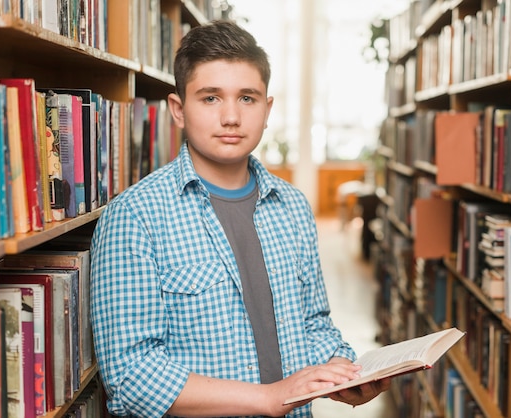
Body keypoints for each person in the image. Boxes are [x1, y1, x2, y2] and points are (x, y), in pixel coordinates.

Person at [89, 20, 391, 417]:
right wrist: (268, 397)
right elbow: (132, 376)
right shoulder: (134, 218)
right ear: (178, 110)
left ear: (267, 110)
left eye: (247, 98)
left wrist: (345, 371)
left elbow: (313, 325)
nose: (231, 116)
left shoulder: (294, 207)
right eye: (210, 98)